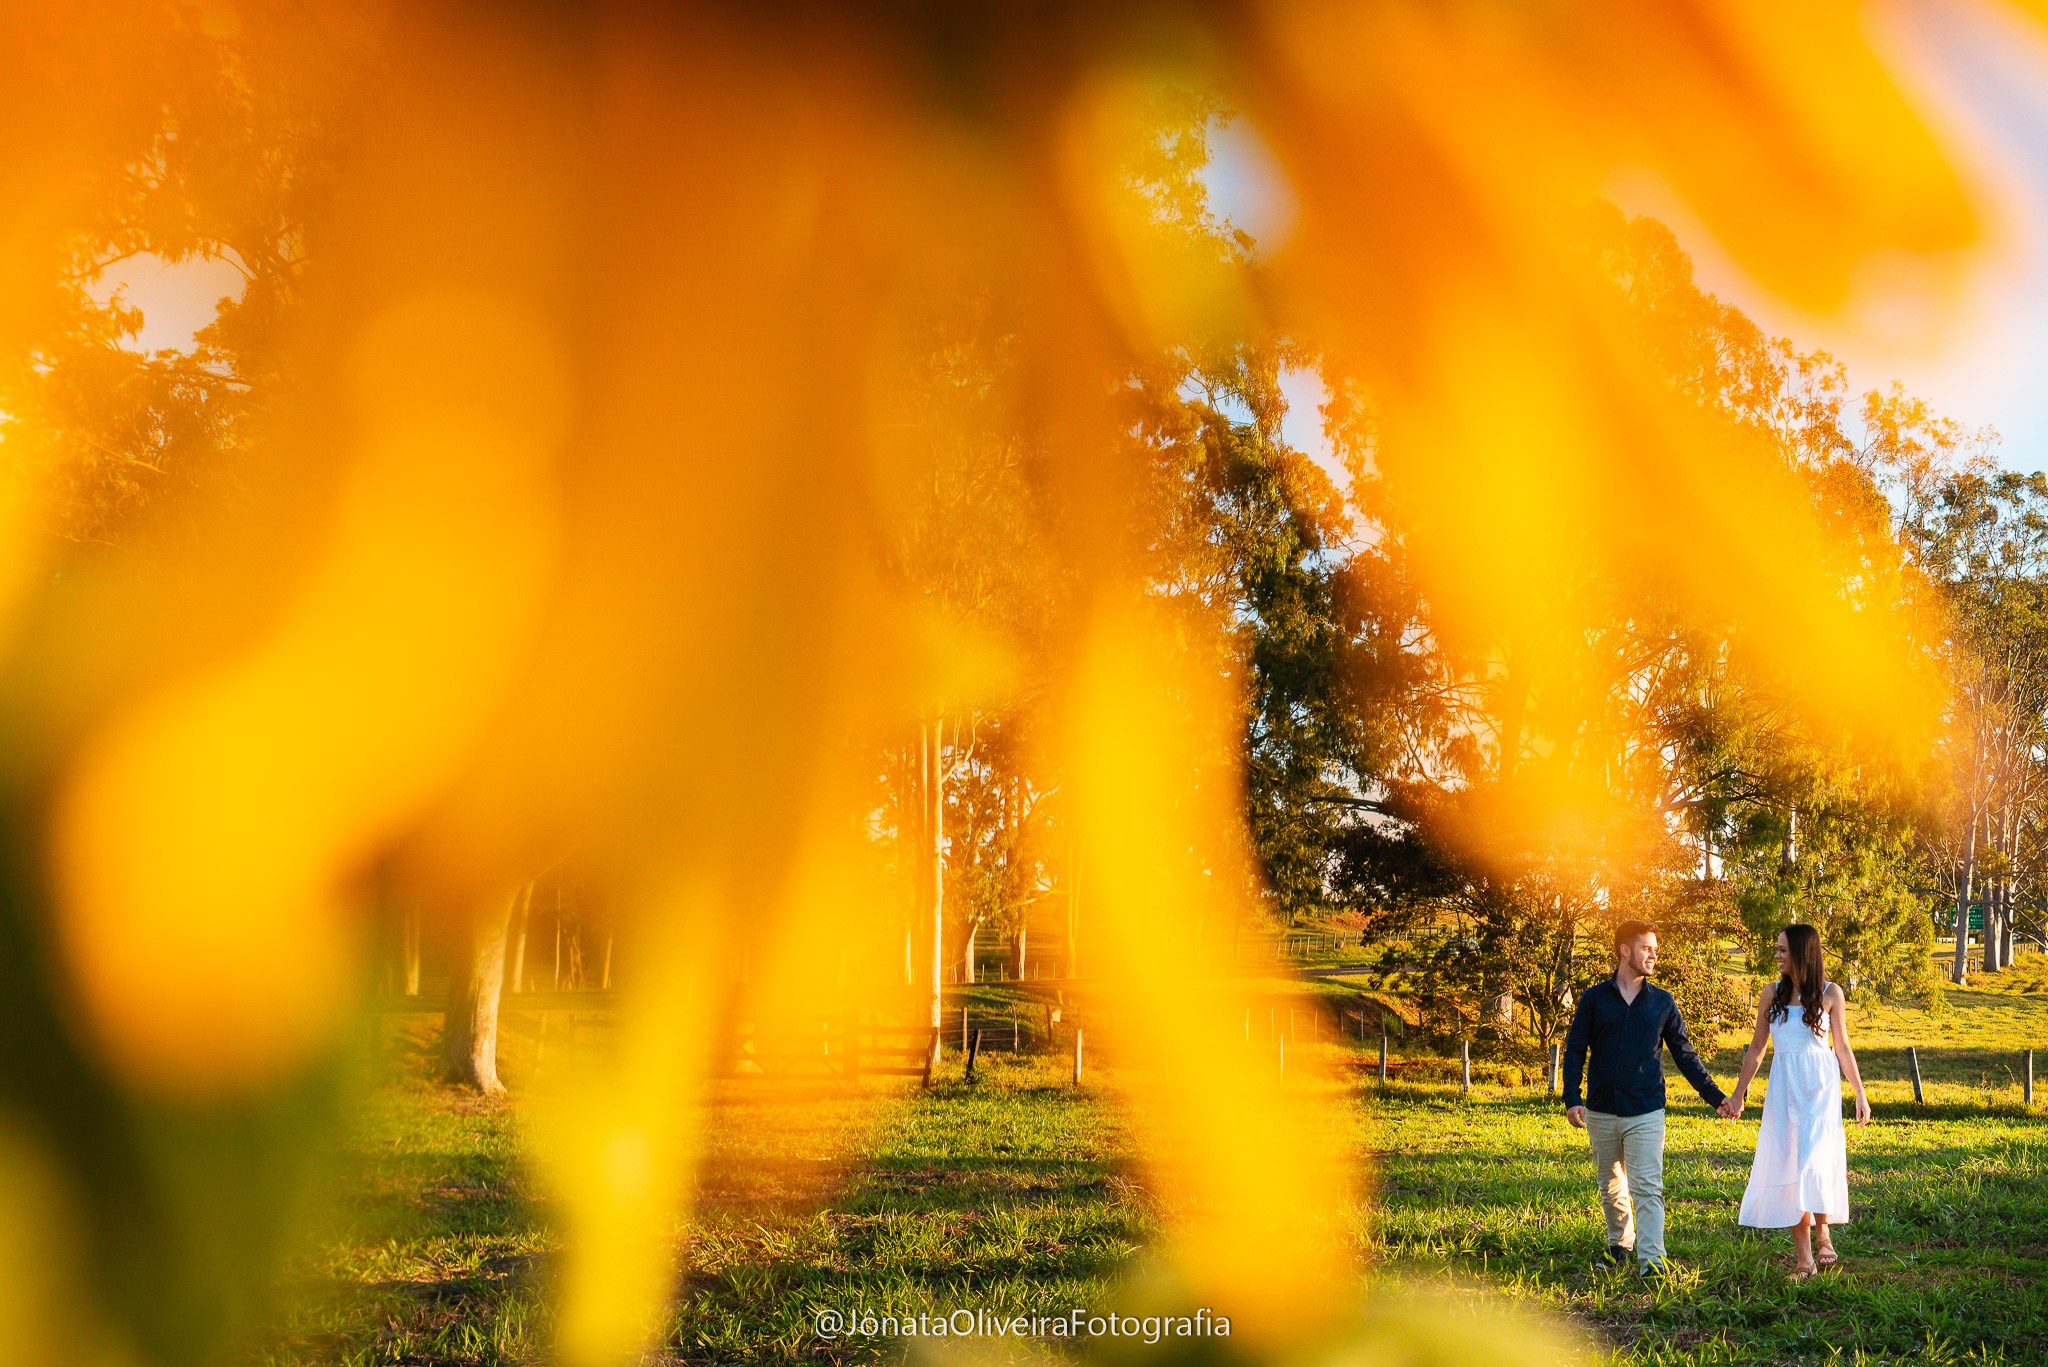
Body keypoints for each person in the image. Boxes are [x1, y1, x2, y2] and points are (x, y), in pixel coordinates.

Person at [1561, 919, 1729, 1278]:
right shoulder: (1593, 1000)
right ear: (1624, 951)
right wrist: (1572, 1097)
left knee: (1648, 1187)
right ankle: (1620, 1245)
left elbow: (1685, 1056)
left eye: (1655, 948)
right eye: (1646, 948)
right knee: (1610, 1184)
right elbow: (1575, 1051)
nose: (1654, 954)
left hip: (1646, 1111)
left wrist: (1716, 1098)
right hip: (1601, 1110)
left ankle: (1652, 1261)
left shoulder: (1663, 1003)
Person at [1721, 923, 1869, 1278]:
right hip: (1785, 1089)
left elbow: (1842, 1047)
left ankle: (1823, 1228)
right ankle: (1806, 1260)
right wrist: (1739, 1093)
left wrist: (1859, 1092)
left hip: (1820, 1090)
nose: (1777, 955)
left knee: (1812, 1162)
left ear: (1803, 953)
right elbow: (1757, 1048)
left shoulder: (1831, 994)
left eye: (1783, 950)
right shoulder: (1771, 993)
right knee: (1792, 1165)